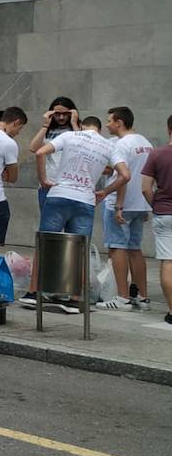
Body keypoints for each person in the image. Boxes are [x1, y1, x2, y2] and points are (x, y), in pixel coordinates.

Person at [23, 96, 77, 302]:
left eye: (65, 113)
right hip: (48, 189)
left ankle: (68, 291)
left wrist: (74, 123)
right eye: (57, 114)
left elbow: (84, 146)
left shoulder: (76, 130)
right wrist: (45, 124)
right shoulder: (49, 130)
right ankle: (36, 289)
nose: (61, 117)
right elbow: (34, 148)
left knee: (71, 240)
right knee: (46, 238)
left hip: (69, 188)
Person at [102, 106, 153, 308]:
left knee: (117, 248)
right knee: (135, 249)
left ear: (119, 122)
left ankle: (122, 297)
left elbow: (124, 177)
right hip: (141, 204)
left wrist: (118, 205)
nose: (107, 124)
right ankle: (142, 296)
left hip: (120, 204)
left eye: (109, 121)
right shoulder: (146, 143)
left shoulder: (121, 145)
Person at [0, 107, 28, 272]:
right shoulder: (8, 143)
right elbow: (13, 176)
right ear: (16, 122)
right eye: (20, 128)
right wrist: (7, 172)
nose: (18, 132)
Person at [140, 114, 172, 325]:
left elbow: (145, 188)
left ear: (169, 129)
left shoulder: (157, 154)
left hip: (165, 213)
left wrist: (156, 206)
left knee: (168, 262)